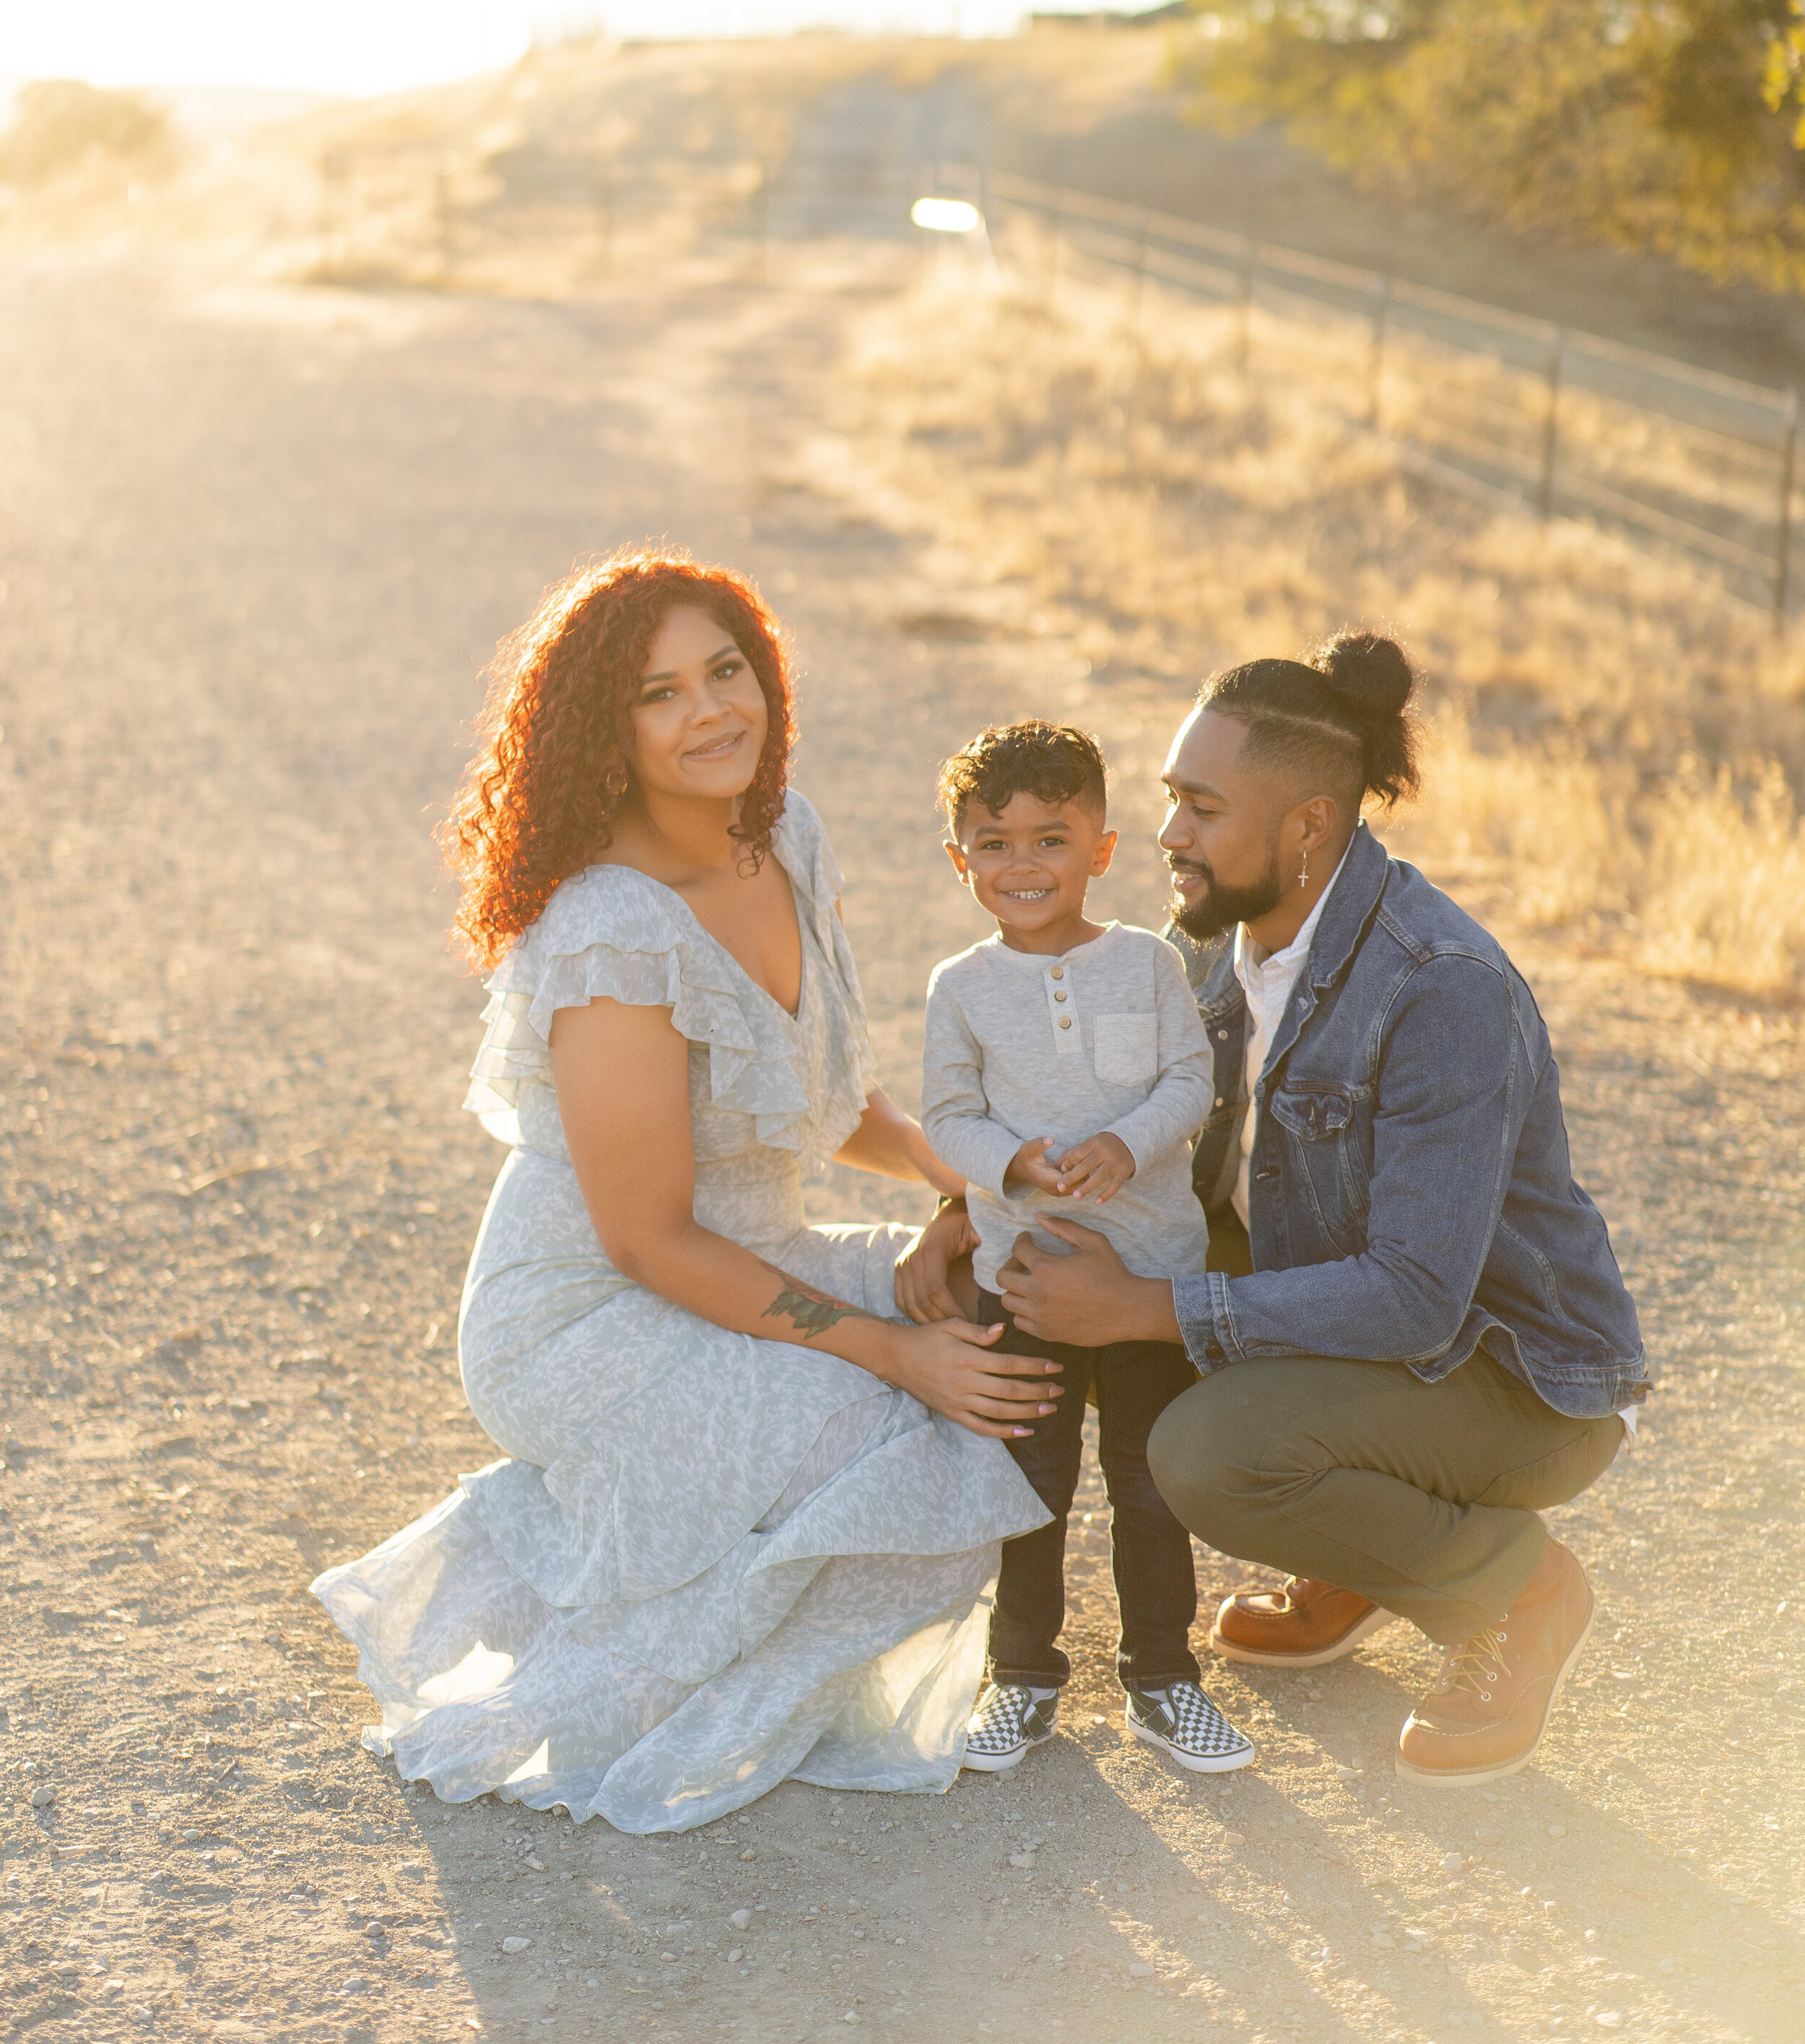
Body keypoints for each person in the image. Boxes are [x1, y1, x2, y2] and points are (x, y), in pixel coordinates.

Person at [312, 549, 1058, 1834]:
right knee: (883, 1430)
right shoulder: (611, 927)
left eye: (727, 670)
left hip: (748, 1255)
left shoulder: (788, 835)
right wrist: (883, 1344)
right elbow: (648, 1236)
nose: (712, 711)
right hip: (585, 1314)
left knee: (991, 1325)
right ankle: (570, 1574)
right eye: (661, 693)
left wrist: (975, 1189)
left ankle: (665, 1561)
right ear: (611, 727)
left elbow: (831, 1100)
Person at [903, 632, 1648, 1788]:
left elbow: (1414, 1296)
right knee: (1133, 1330)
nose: (1168, 837)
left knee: (1202, 1451)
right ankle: (1354, 1557)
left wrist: (1151, 1307)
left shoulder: (1441, 986)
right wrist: (965, 1211)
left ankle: (1517, 1588)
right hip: (1374, 1342)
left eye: (1201, 806)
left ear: (1306, 825)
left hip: (1508, 1376)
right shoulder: (1209, 945)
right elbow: (1110, 1124)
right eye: (1169, 802)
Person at [920, 721, 1255, 1778]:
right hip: (1022, 1282)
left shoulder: (1148, 965)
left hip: (1153, 1270)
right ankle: (1019, 1677)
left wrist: (1127, 1142)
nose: (1023, 865)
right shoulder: (960, 986)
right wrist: (1013, 1162)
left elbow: (1188, 1083)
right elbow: (946, 1117)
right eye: (994, 842)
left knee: (1151, 1482)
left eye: (1051, 838)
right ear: (960, 857)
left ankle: (1164, 1678)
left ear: (1103, 848)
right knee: (1031, 1481)